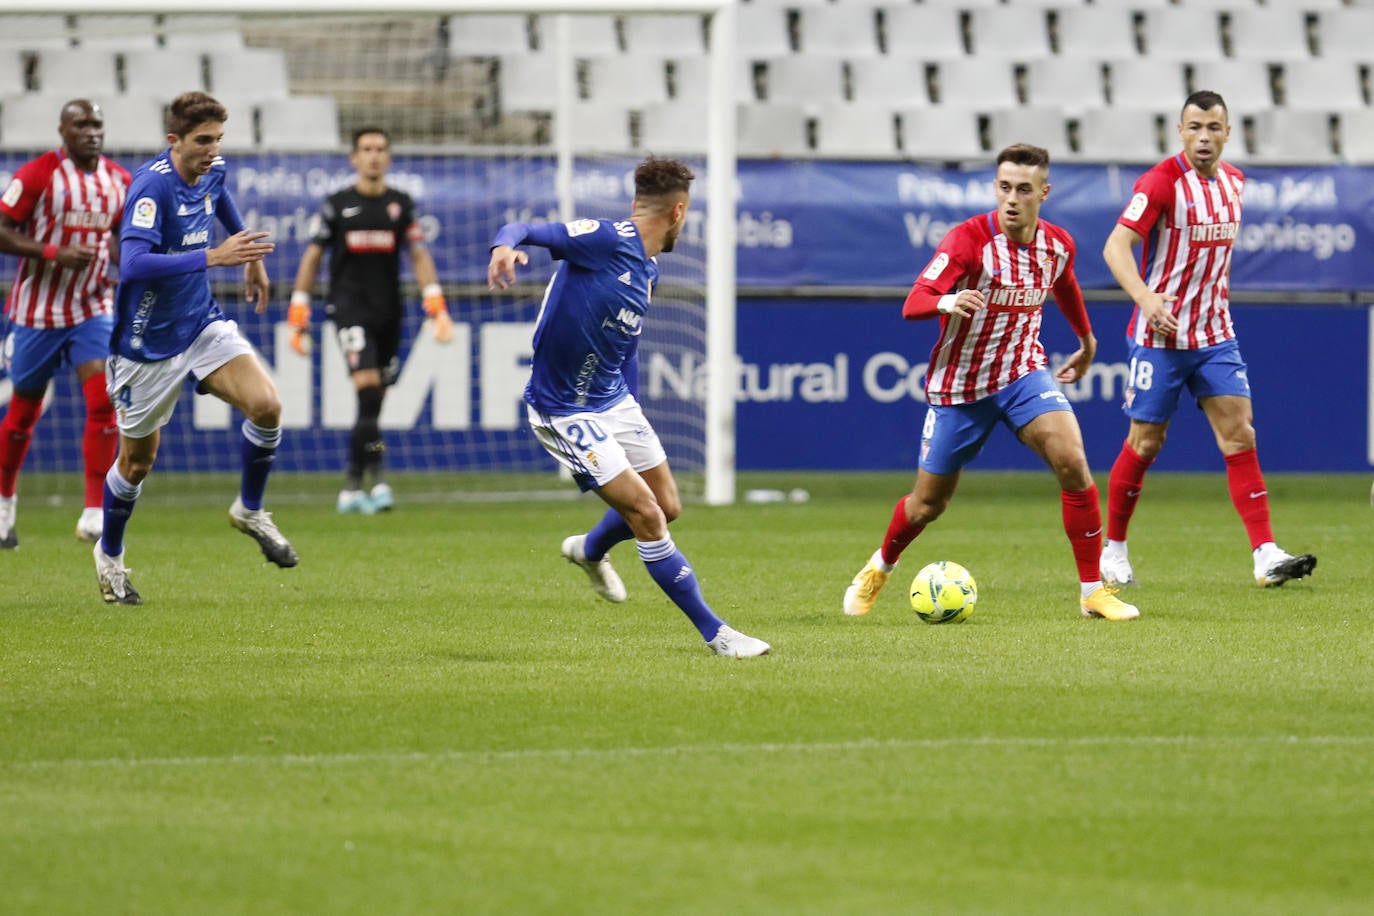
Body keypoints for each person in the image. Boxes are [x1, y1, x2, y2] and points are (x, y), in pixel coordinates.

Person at [486, 155, 771, 657]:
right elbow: (525, 227)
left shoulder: (649, 270)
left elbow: (627, 346)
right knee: (645, 514)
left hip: (612, 399)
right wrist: (504, 248)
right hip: (563, 408)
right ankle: (719, 635)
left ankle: (588, 549)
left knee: (668, 506)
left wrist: (629, 408)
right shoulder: (606, 238)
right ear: (679, 211)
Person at [843, 143, 1140, 622]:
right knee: (927, 505)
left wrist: (1086, 339)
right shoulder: (968, 240)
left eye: (1023, 189)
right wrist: (947, 302)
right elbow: (915, 299)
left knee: (1072, 460)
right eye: (1004, 187)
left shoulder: (1058, 244)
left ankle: (1092, 591)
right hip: (960, 388)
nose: (1012, 199)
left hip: (1023, 372)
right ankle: (880, 566)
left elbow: (1063, 283)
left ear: (1043, 193)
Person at [1099, 91, 1316, 589]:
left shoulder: (1235, 183)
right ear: (1180, 131)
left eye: (1213, 128)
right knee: (1146, 441)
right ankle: (1113, 551)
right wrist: (1146, 298)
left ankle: (1264, 554)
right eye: (1194, 127)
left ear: (1227, 133)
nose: (1203, 137)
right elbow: (1116, 246)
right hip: (1159, 337)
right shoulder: (1159, 182)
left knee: (1240, 434)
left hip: (1215, 334)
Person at [95, 91, 298, 605]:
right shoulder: (151, 187)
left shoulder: (212, 167)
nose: (212, 150)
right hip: (145, 343)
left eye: (218, 139)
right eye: (202, 141)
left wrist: (248, 252)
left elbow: (220, 193)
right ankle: (110, 556)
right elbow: (134, 264)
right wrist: (215, 255)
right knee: (138, 463)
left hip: (200, 323)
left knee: (267, 405)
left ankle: (249, 509)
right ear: (173, 141)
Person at [288, 127, 453, 515]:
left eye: (381, 149)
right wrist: (299, 310)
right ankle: (371, 480)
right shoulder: (337, 205)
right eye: (367, 149)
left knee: (374, 405)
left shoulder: (400, 204)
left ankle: (355, 481)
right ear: (354, 158)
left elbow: (418, 254)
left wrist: (436, 304)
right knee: (366, 392)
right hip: (349, 310)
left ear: (388, 158)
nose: (374, 155)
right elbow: (313, 257)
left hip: (389, 313)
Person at [0, 99, 130, 549]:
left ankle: (94, 511)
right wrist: (53, 253)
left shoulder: (119, 181)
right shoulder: (38, 175)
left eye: (97, 123)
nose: (91, 132)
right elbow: (1, 229)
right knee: (22, 416)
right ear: (63, 131)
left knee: (102, 402)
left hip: (93, 306)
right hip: (37, 311)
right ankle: (4, 503)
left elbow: (119, 237)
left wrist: (123, 264)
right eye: (81, 124)